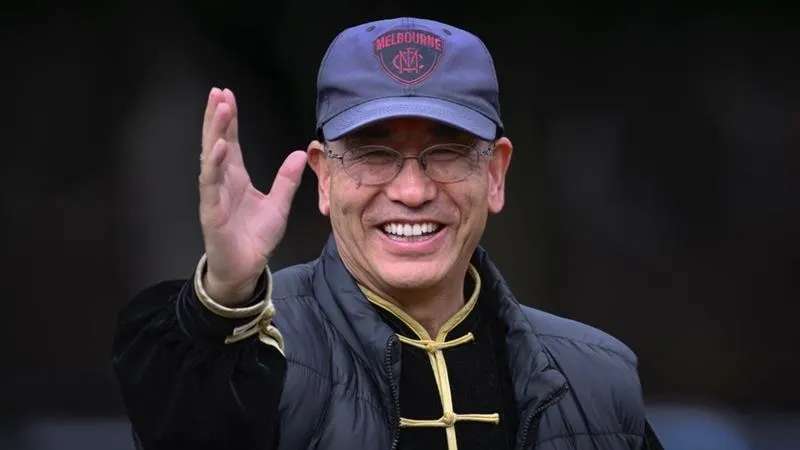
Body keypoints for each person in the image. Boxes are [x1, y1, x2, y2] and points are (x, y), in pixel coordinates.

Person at [113, 17, 663, 450]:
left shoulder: (598, 379)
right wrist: (222, 301)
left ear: (494, 174)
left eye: (445, 153)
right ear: (323, 178)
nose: (412, 190)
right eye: (374, 155)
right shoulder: (252, 360)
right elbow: (173, 425)